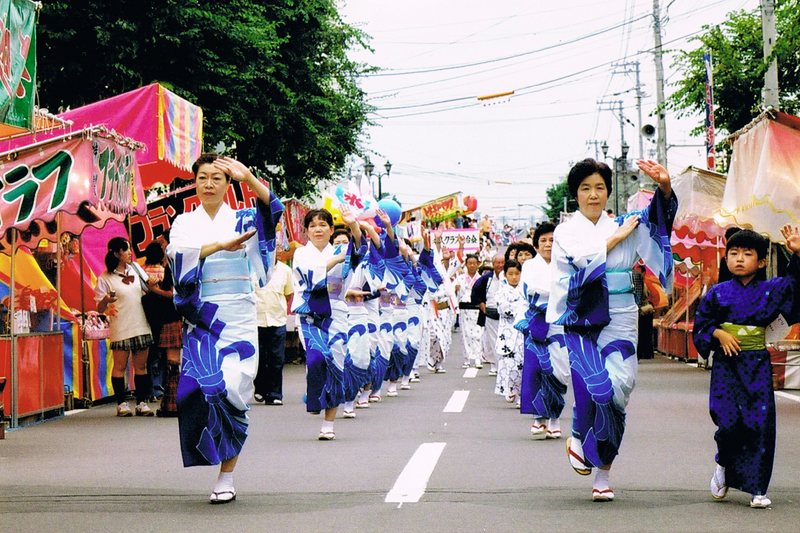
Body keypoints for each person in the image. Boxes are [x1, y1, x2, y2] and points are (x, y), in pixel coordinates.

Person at [546, 158, 677, 502]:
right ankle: (580, 434)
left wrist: (663, 187)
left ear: (608, 191)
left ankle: (602, 470)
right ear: (575, 194)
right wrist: (613, 239)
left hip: (621, 315)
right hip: (583, 318)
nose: (593, 195)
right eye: (585, 188)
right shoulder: (566, 231)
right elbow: (574, 266)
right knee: (595, 386)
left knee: (619, 389)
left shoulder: (626, 223)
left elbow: (659, 222)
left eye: (600, 187)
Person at [166, 153, 283, 504]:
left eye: (217, 178)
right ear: (195, 182)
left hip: (239, 316)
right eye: (202, 178)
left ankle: (226, 476)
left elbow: (272, 211)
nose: (209, 184)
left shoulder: (245, 216)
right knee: (198, 389)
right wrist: (220, 246)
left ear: (228, 185)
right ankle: (212, 449)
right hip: (203, 316)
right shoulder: (185, 221)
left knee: (233, 387)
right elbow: (177, 254)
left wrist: (249, 177)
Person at [693, 226, 800, 509]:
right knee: (727, 423)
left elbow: (795, 286)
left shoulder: (771, 289)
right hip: (727, 367)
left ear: (762, 262)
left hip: (757, 366)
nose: (739, 258)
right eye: (733, 253)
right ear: (726, 258)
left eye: (747, 254)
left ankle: (758, 489)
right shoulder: (716, 293)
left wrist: (797, 252)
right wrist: (718, 334)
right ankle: (723, 464)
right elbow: (702, 325)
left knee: (759, 425)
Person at [291, 206, 362, 439]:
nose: (318, 229)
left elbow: (359, 250)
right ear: (306, 231)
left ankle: (328, 424)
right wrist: (336, 259)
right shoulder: (301, 253)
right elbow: (309, 276)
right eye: (312, 226)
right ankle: (315, 395)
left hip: (336, 312)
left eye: (323, 225)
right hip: (310, 313)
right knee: (317, 357)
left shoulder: (342, 250)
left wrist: (353, 225)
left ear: (331, 229)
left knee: (336, 363)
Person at [517, 222, 570, 440]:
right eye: (543, 241)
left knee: (560, 372)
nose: (548, 245)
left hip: (560, 324)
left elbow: (571, 291)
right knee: (536, 370)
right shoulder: (530, 266)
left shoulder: (567, 264)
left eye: (552, 240)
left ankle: (555, 419)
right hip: (536, 323)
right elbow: (529, 292)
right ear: (536, 245)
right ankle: (539, 418)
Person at [95, 237, 155, 417]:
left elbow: (149, 287)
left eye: (129, 249)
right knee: (120, 366)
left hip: (141, 323)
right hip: (120, 325)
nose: (130, 253)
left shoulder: (136, 268)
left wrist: (152, 281)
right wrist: (106, 300)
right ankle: (121, 403)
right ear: (116, 253)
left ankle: (142, 402)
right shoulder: (105, 277)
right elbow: (99, 307)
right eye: (126, 250)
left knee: (141, 366)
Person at [141, 242, 183, 417]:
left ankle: (172, 405)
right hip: (172, 317)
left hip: (171, 318)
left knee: (172, 364)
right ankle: (170, 403)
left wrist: (154, 289)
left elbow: (172, 293)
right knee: (171, 364)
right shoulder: (173, 266)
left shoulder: (173, 267)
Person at [253, 247, 294, 406]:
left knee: (277, 357)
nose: (273, 251)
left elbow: (288, 294)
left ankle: (275, 393)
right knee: (260, 357)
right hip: (257, 319)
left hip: (277, 319)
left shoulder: (285, 270)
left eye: (276, 248)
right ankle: (261, 388)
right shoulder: (253, 268)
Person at [493, 259, 524, 404]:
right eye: (510, 274)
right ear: (505, 275)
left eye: (517, 274)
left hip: (522, 332)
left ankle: (521, 395)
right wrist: (520, 308)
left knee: (522, 365)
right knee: (509, 365)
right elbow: (504, 309)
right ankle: (510, 390)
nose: (514, 277)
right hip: (508, 333)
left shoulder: (525, 290)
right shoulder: (501, 293)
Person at [471, 254, 505, 375]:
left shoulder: (508, 277)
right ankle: (494, 365)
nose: (500, 265)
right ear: (493, 264)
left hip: (505, 314)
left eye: (502, 262)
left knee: (503, 339)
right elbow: (476, 291)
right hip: (490, 313)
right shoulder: (487, 278)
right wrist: (482, 306)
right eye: (497, 263)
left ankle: (502, 364)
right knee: (491, 341)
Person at [455, 254, 483, 369]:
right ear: (466, 264)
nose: (472, 265)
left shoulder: (481, 278)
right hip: (464, 309)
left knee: (478, 334)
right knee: (465, 334)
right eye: (469, 263)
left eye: (474, 263)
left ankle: (477, 358)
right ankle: (467, 359)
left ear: (478, 264)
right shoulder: (460, 278)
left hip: (476, 309)